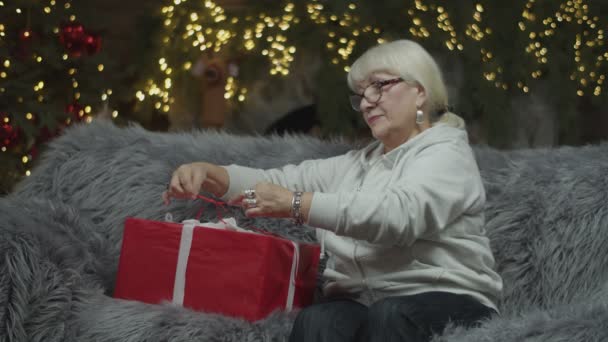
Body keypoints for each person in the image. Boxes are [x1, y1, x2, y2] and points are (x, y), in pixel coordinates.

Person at [163, 39, 503, 342]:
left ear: (420, 92)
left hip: (448, 299)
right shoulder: (355, 165)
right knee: (319, 320)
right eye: (362, 94)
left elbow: (399, 215)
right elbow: (277, 181)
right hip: (368, 303)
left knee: (391, 316)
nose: (367, 101)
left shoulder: (447, 153)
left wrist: (297, 205)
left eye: (380, 86)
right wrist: (211, 174)